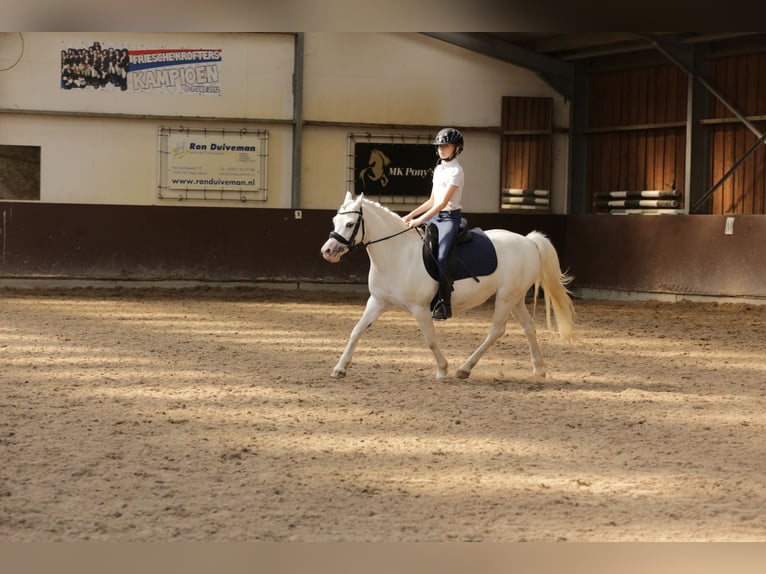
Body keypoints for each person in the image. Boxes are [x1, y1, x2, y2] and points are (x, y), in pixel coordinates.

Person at [403, 127, 465, 320]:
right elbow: (431, 200)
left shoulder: (457, 171)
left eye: (445, 146)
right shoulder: (439, 169)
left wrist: (420, 220)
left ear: (457, 148)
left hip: (448, 218)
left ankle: (444, 304)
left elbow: (443, 203)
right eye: (439, 146)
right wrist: (410, 215)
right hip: (434, 215)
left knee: (442, 256)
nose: (441, 149)